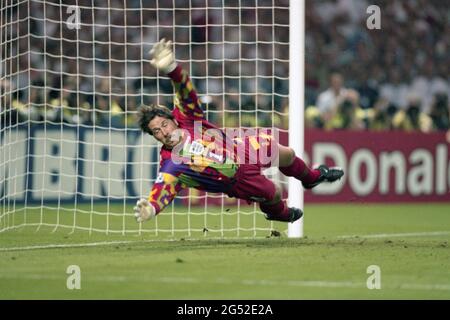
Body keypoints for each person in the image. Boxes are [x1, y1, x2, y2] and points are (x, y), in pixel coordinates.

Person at [133, 39, 344, 224]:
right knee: (274, 193)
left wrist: (171, 67)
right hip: (239, 181)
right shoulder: (171, 162)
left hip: (241, 147)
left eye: (164, 124)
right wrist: (151, 209)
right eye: (156, 131)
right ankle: (278, 213)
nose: (163, 132)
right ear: (154, 138)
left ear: (172, 119)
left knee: (286, 153)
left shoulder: (187, 118)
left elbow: (185, 90)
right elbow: (164, 189)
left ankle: (312, 177)